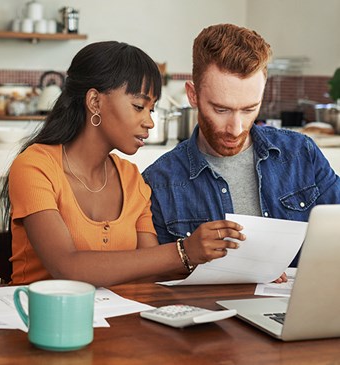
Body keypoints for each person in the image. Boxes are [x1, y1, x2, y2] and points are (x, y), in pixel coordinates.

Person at [0, 41, 244, 287]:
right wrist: (184, 251)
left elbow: (150, 271)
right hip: (40, 319)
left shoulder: (131, 178)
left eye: (151, 109)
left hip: (120, 321)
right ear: (95, 101)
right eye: (139, 106)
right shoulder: (35, 167)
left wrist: (243, 269)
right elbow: (66, 267)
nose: (149, 121)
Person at [142, 23, 340, 271]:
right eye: (221, 109)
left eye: (249, 109)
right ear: (193, 95)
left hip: (297, 307)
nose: (235, 128)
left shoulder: (302, 153)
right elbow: (159, 283)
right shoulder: (158, 181)